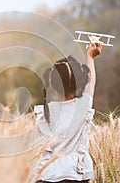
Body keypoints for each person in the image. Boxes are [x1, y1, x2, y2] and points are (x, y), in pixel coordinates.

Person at [31, 40, 102, 183]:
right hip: (77, 172)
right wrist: (90, 56)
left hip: (47, 174)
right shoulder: (83, 106)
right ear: (80, 83)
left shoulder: (46, 111)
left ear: (52, 85)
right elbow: (91, 81)